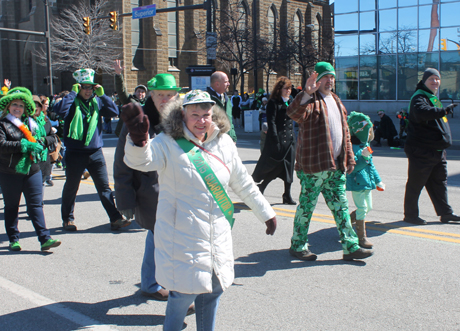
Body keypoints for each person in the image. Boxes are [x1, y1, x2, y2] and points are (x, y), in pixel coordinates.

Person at [123, 89, 277, 331]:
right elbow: (140, 161)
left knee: (213, 291)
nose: (201, 120)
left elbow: (242, 181)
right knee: (182, 295)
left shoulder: (223, 142)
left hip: (217, 233)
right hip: (182, 236)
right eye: (195, 114)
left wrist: (265, 212)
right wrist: (138, 141)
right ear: (183, 114)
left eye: (206, 114)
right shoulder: (167, 142)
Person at [286, 62, 373, 261]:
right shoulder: (311, 100)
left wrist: (349, 158)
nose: (329, 81)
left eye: (332, 77)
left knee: (341, 207)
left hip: (335, 167)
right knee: (307, 207)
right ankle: (298, 245)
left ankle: (350, 246)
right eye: (325, 77)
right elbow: (293, 114)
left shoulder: (336, 100)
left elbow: (346, 134)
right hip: (313, 167)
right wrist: (306, 93)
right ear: (316, 80)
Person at [114, 73, 181, 303]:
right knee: (157, 235)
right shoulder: (138, 121)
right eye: (160, 94)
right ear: (150, 95)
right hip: (151, 194)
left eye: (170, 94)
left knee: (163, 237)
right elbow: (121, 164)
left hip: (178, 191)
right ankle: (153, 283)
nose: (165, 99)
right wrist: (125, 200)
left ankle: (155, 282)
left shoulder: (181, 119)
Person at [53, 68, 129, 231]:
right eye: (84, 87)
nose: (88, 91)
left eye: (91, 87)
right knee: (72, 187)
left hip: (95, 152)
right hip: (75, 152)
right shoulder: (71, 101)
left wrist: (103, 95)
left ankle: (115, 218)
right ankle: (68, 219)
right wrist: (72, 95)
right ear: (78, 87)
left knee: (104, 188)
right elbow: (60, 112)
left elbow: (114, 112)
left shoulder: (97, 101)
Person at [0, 87, 61, 251]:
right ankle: (13, 239)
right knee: (11, 206)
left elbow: (49, 137)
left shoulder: (32, 124)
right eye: (14, 104)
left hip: (32, 169)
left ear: (25, 109)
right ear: (8, 106)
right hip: (9, 172)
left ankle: (45, 239)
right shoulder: (1, 124)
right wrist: (24, 145)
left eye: (21, 106)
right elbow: (0, 145)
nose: (17, 108)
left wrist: (40, 143)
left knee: (36, 205)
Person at [403, 68, 460, 225]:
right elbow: (423, 112)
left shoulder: (432, 97)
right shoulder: (419, 97)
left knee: (439, 183)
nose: (435, 82)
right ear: (424, 81)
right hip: (422, 150)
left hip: (437, 150)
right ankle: (410, 215)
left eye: (437, 79)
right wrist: (443, 111)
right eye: (431, 79)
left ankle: (446, 213)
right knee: (416, 183)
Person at [252, 76, 297, 205]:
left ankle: (287, 195)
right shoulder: (273, 102)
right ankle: (262, 186)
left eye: (289, 88)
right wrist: (275, 140)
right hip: (278, 139)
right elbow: (271, 122)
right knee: (276, 166)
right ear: (279, 89)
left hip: (290, 140)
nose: (288, 91)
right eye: (285, 88)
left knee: (289, 167)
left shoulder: (291, 100)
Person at [346, 112, 385, 248]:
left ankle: (347, 221)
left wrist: (378, 181)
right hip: (357, 182)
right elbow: (354, 167)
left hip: (367, 182)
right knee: (362, 208)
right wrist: (365, 157)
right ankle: (361, 237)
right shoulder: (352, 146)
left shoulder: (365, 145)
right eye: (368, 132)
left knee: (369, 207)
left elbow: (371, 166)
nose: (370, 134)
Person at [113, 59, 148, 137]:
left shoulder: (148, 104)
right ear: (135, 92)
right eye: (138, 91)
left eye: (142, 92)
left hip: (142, 134)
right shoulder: (129, 100)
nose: (140, 93)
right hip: (127, 134)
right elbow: (121, 90)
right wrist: (118, 75)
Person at [206, 71, 237, 142]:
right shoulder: (207, 99)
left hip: (228, 141)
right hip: (213, 141)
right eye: (226, 82)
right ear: (217, 84)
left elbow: (230, 120)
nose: (229, 84)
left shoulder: (227, 99)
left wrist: (233, 137)